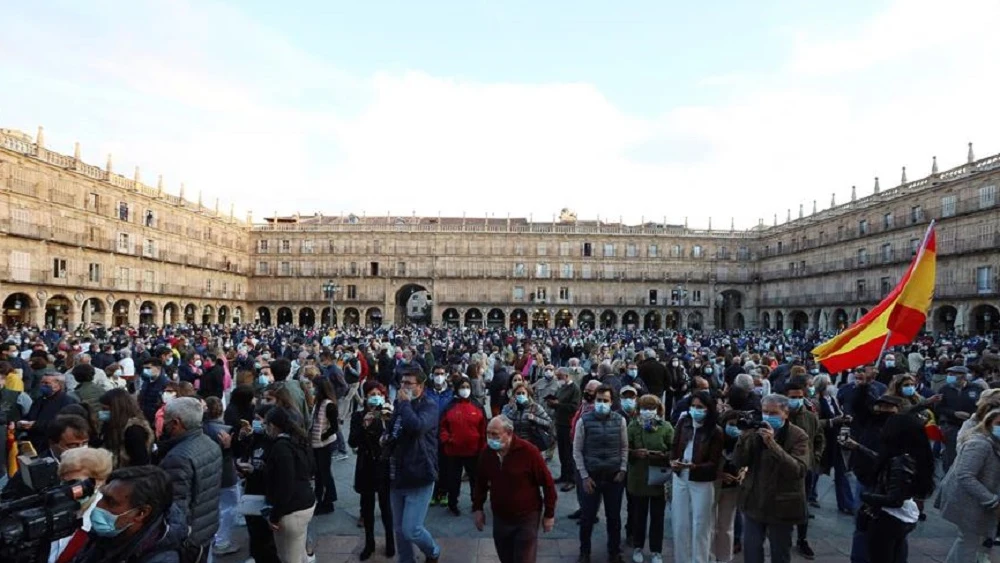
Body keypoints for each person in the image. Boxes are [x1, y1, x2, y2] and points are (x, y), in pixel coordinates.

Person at [846, 414, 935, 563]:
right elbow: (886, 464)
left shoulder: (901, 460)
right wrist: (859, 448)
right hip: (901, 518)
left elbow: (895, 499)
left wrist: (866, 497)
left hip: (888, 520)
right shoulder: (913, 455)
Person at [472, 416, 557, 563]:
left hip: (526, 517)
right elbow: (480, 482)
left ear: (509, 433)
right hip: (500, 516)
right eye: (488, 434)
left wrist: (549, 514)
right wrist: (478, 508)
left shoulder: (529, 452)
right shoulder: (487, 453)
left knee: (524, 558)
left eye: (495, 435)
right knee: (506, 557)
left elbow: (548, 484)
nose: (491, 438)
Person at [66, 465, 187, 563]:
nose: (99, 506)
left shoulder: (160, 559)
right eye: (102, 497)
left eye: (111, 502)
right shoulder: (102, 537)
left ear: (141, 513)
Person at [156, 397, 222, 563]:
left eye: (166, 420)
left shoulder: (178, 457)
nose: (163, 423)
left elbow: (177, 505)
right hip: (205, 527)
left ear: (176, 423)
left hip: (189, 537)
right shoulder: (210, 443)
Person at [387, 367, 442, 563]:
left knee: (412, 529)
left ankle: (433, 551)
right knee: (400, 529)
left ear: (420, 386)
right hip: (397, 471)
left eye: (408, 383)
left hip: (420, 472)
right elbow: (396, 428)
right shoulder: (401, 404)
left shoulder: (430, 405)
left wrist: (404, 405)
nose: (404, 387)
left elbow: (417, 427)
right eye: (402, 383)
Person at [573, 384, 628, 563]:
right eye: (599, 400)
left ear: (612, 402)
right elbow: (577, 451)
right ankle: (584, 552)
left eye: (605, 401)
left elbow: (624, 447)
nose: (602, 404)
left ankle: (614, 552)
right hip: (591, 477)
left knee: (614, 518)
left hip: (614, 477)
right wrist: (584, 476)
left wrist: (622, 469)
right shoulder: (584, 420)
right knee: (587, 518)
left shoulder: (620, 421)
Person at [937, 407, 1000, 562]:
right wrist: (992, 500)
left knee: (969, 541)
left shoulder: (995, 443)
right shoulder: (979, 443)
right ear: (989, 423)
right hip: (969, 501)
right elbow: (965, 475)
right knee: (969, 542)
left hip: (981, 500)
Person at [670, 390, 723, 563]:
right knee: (680, 524)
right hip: (680, 478)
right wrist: (673, 461)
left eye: (700, 407)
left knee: (701, 525)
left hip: (702, 481)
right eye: (693, 406)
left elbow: (714, 463)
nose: (695, 410)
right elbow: (674, 446)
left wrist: (695, 467)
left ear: (708, 409)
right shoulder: (683, 423)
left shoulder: (715, 431)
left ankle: (699, 560)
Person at [263, 406, 317, 563]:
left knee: (289, 557)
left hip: (291, 511)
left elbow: (285, 486)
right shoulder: (299, 440)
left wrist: (274, 516)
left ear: (272, 426)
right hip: (305, 504)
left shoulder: (281, 447)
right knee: (299, 552)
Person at [349, 381, 395, 561]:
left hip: (383, 465)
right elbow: (353, 441)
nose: (375, 396)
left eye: (379, 393)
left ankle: (390, 540)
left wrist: (385, 421)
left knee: (386, 507)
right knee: (367, 507)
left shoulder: (387, 415)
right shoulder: (358, 416)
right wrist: (364, 426)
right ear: (366, 396)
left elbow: (394, 439)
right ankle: (369, 543)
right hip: (366, 465)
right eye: (371, 393)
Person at [626, 394, 673, 563]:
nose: (648, 412)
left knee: (657, 517)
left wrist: (663, 455)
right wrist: (634, 453)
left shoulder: (666, 427)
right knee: (639, 515)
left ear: (658, 409)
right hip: (638, 478)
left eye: (651, 408)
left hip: (658, 479)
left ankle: (656, 550)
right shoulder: (633, 427)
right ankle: (638, 547)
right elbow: (625, 450)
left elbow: (674, 450)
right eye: (644, 408)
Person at [48, 447, 114, 563]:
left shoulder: (103, 522)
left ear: (99, 481)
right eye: (64, 482)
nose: (67, 490)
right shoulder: (54, 507)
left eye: (75, 483)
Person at [234, 404, 281, 563]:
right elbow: (246, 456)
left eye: (258, 419)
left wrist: (255, 471)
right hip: (251, 493)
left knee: (267, 540)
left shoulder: (277, 444)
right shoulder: (255, 438)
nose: (254, 422)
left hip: (266, 496)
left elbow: (276, 474)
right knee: (255, 535)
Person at [785, 378, 825, 560]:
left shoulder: (810, 417)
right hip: (784, 468)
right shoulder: (780, 416)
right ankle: (784, 537)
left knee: (803, 505)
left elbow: (819, 438)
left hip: (805, 468)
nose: (796, 400)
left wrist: (815, 457)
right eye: (792, 397)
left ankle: (802, 539)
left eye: (799, 397)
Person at [439, 376, 486, 515]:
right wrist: (447, 439)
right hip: (453, 451)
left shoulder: (478, 406)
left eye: (467, 387)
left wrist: (483, 446)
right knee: (453, 480)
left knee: (475, 480)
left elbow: (483, 428)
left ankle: (476, 503)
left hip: (474, 451)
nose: (465, 390)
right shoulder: (450, 406)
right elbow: (442, 427)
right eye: (462, 387)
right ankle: (453, 503)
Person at [200, 397, 239, 557]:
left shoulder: (201, 429)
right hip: (225, 474)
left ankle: (216, 539)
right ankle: (222, 542)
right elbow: (230, 454)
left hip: (208, 476)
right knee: (229, 507)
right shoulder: (226, 431)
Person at [936, 365, 981, 474]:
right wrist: (954, 413)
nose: (949, 377)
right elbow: (939, 407)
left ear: (962, 376)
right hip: (952, 426)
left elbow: (982, 405)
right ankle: (948, 479)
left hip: (972, 427)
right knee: (951, 455)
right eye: (949, 374)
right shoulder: (944, 389)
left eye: (952, 374)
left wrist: (972, 415)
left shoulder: (976, 388)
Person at [21, 373, 78, 453]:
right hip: (35, 443)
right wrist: (22, 423)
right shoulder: (40, 400)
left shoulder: (68, 401)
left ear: (58, 385)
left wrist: (36, 425)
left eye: (47, 383)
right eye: (42, 382)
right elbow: (30, 416)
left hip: (52, 444)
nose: (43, 385)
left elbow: (64, 423)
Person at [97, 388, 153, 467]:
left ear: (116, 409)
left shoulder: (134, 430)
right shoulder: (112, 425)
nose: (102, 412)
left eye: (105, 409)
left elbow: (140, 463)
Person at [548, 367, 581, 492]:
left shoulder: (574, 389)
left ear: (567, 376)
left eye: (559, 376)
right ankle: (564, 475)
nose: (557, 379)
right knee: (561, 451)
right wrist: (552, 402)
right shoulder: (561, 387)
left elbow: (574, 407)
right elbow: (557, 399)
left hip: (568, 424)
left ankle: (571, 479)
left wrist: (558, 405)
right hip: (560, 422)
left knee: (569, 452)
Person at [309, 376, 339, 514]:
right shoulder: (318, 403)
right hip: (316, 443)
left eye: (315, 387)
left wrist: (323, 436)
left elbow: (334, 427)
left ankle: (329, 500)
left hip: (325, 444)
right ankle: (319, 498)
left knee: (325, 473)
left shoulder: (329, 405)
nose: (313, 389)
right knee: (319, 473)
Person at [502, 383, 554, 452]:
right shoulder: (508, 407)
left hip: (530, 445)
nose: (521, 395)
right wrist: (513, 410)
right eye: (518, 393)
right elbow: (502, 424)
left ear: (528, 395)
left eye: (523, 393)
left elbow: (549, 423)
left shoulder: (535, 407)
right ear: (514, 395)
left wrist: (535, 419)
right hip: (513, 445)